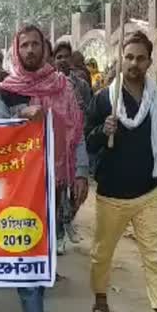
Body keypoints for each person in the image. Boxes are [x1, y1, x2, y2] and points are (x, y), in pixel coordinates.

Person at [85, 31, 157, 312]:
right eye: (129, 57)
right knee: (102, 253)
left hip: (148, 194)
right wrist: (105, 130)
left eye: (140, 58)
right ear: (120, 59)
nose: (134, 63)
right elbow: (88, 141)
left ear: (149, 62)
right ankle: (100, 297)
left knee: (156, 258)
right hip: (112, 194)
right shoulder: (104, 99)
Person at [0, 25, 89, 312]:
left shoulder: (63, 87)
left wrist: (81, 173)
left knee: (43, 244)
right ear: (17, 51)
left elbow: (76, 133)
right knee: (26, 245)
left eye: (36, 44)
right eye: (25, 46)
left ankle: (35, 305)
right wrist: (21, 112)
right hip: (20, 184)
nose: (30, 50)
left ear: (45, 50)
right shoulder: (7, 90)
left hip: (54, 182)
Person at [53, 41, 94, 250]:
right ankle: (59, 233)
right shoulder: (51, 85)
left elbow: (90, 108)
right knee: (59, 192)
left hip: (78, 141)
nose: (62, 60)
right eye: (58, 57)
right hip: (60, 146)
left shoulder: (82, 85)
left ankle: (69, 219)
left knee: (77, 191)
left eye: (65, 56)